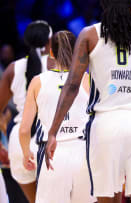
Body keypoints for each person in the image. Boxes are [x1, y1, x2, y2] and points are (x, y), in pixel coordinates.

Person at [44, 0, 131, 202]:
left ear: (103, 5)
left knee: (107, 196)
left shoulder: (89, 35)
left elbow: (72, 85)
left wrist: (53, 131)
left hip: (105, 125)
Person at [19, 30, 94, 203]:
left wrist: (26, 154)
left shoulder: (38, 82)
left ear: (51, 52)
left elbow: (24, 130)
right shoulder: (87, 79)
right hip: (83, 154)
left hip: (52, 155)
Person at [0, 20, 54, 203]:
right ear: (50, 40)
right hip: (52, 139)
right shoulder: (60, 64)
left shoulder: (12, 68)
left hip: (19, 142)